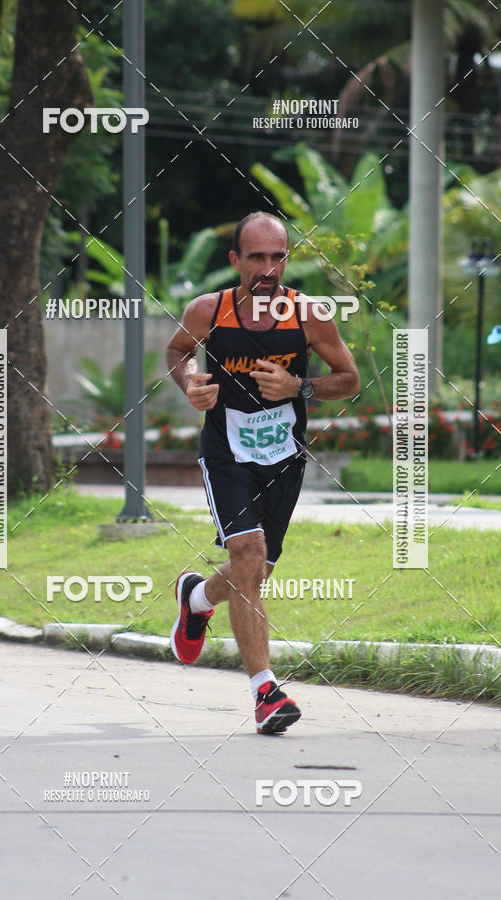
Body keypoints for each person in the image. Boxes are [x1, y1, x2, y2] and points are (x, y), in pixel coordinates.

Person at [166, 211, 360, 734]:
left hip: (283, 458)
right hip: (226, 454)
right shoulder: (209, 311)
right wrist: (190, 381)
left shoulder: (309, 315)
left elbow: (349, 379)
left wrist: (301, 387)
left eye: (278, 257)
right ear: (236, 260)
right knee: (248, 556)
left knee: (256, 571)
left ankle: (196, 599)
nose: (268, 269)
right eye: (257, 257)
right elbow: (178, 351)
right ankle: (265, 692)